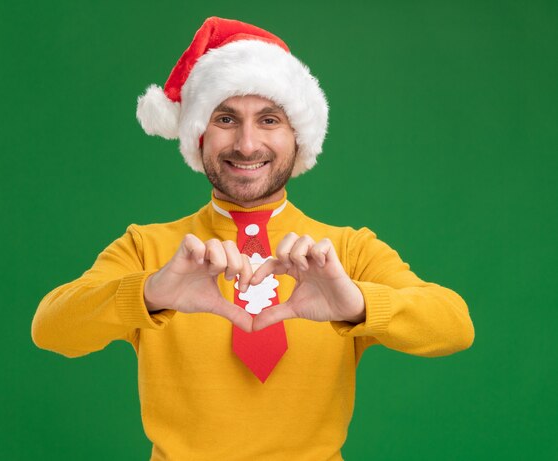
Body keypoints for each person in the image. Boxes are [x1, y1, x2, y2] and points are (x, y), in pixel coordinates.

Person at [31, 16, 475, 461]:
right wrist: (149, 293)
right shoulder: (149, 249)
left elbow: (454, 325)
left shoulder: (344, 253)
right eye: (226, 118)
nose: (247, 144)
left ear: (298, 137)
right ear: (199, 135)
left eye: (268, 120)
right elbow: (51, 328)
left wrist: (357, 303)